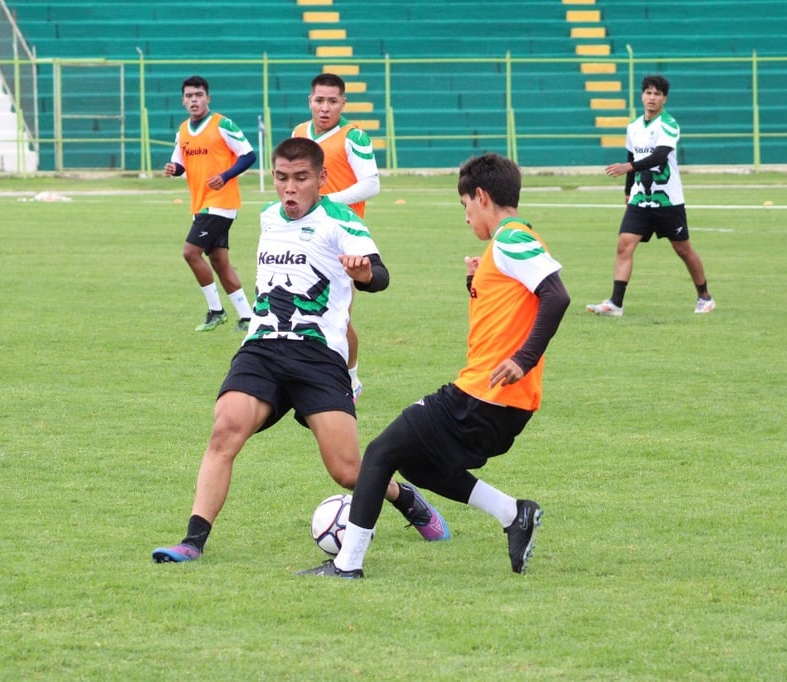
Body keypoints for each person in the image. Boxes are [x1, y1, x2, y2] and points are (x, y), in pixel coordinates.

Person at [152, 137, 448, 564]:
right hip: (263, 348)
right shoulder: (269, 216)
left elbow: (380, 275)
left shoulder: (340, 220)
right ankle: (192, 541)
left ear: (321, 179)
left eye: (301, 179)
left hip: (318, 355)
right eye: (282, 178)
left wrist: (364, 274)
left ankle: (405, 499)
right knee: (224, 432)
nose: (289, 188)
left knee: (347, 471)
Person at [299, 153, 571, 579]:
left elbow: (557, 295)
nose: (466, 218)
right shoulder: (506, 246)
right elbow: (518, 303)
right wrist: (478, 282)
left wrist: (523, 359)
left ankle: (347, 564)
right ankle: (513, 513)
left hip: (484, 395)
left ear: (481, 197)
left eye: (465, 206)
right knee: (418, 463)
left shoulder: (511, 238)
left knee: (379, 452)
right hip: (501, 401)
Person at [586, 74, 715, 318]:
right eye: (648, 92)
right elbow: (631, 158)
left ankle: (704, 296)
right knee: (624, 244)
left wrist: (629, 169)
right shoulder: (633, 127)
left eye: (657, 94)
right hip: (640, 199)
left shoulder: (668, 124)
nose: (652, 97)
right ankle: (616, 303)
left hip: (668, 200)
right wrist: (627, 191)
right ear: (642, 95)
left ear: (664, 98)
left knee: (682, 249)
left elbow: (658, 157)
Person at [292, 72, 381, 401]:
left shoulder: (353, 137)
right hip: (307, 236)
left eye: (332, 101)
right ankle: (310, 370)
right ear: (310, 101)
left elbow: (371, 183)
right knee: (303, 306)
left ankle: (352, 377)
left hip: (344, 236)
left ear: (343, 103)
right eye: (319, 100)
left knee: (338, 314)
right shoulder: (299, 133)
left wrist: (327, 200)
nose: (325, 107)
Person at [164, 75, 256, 332]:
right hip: (200, 204)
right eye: (189, 96)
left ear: (208, 98)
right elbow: (181, 164)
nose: (194, 100)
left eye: (199, 95)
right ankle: (247, 317)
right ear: (183, 100)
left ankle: (216, 310)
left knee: (190, 252)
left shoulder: (222, 124)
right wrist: (174, 169)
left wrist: (225, 176)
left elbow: (248, 155)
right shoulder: (183, 130)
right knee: (218, 260)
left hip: (220, 203)